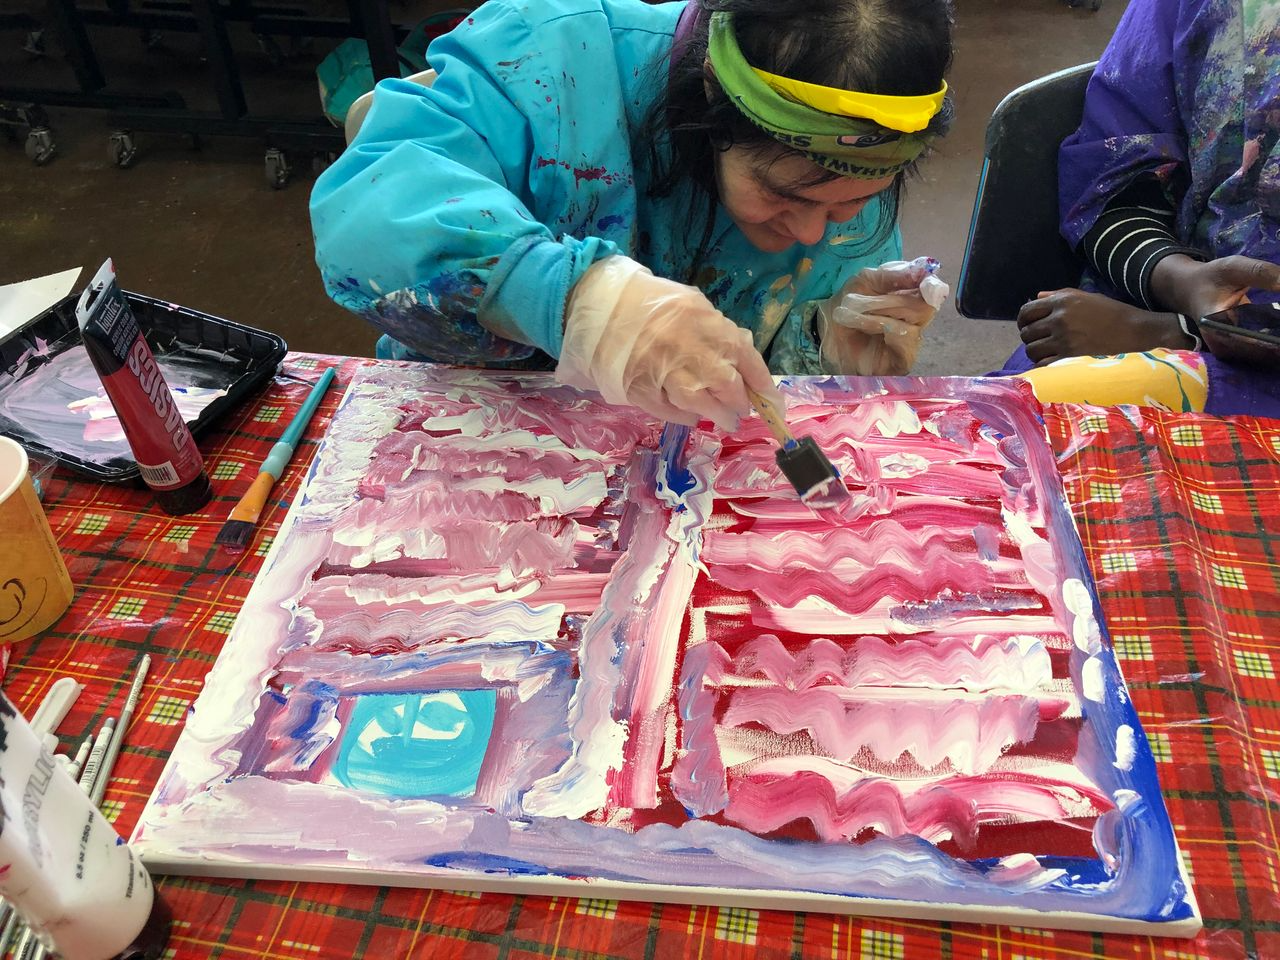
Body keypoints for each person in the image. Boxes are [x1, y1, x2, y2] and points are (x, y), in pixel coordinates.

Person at [311, 0, 954, 430]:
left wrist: (819, 350)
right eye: (785, 196)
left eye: (854, 204)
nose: (815, 231)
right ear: (709, 104)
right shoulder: (546, 57)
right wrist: (572, 300)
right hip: (474, 433)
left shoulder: (843, 186)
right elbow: (364, 216)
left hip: (684, 472)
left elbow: (765, 404)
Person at [997, 0, 1280, 417]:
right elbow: (1114, 189)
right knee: (997, 436)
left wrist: (1175, 336)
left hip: (1195, 351)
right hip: (1153, 307)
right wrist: (1178, 280)